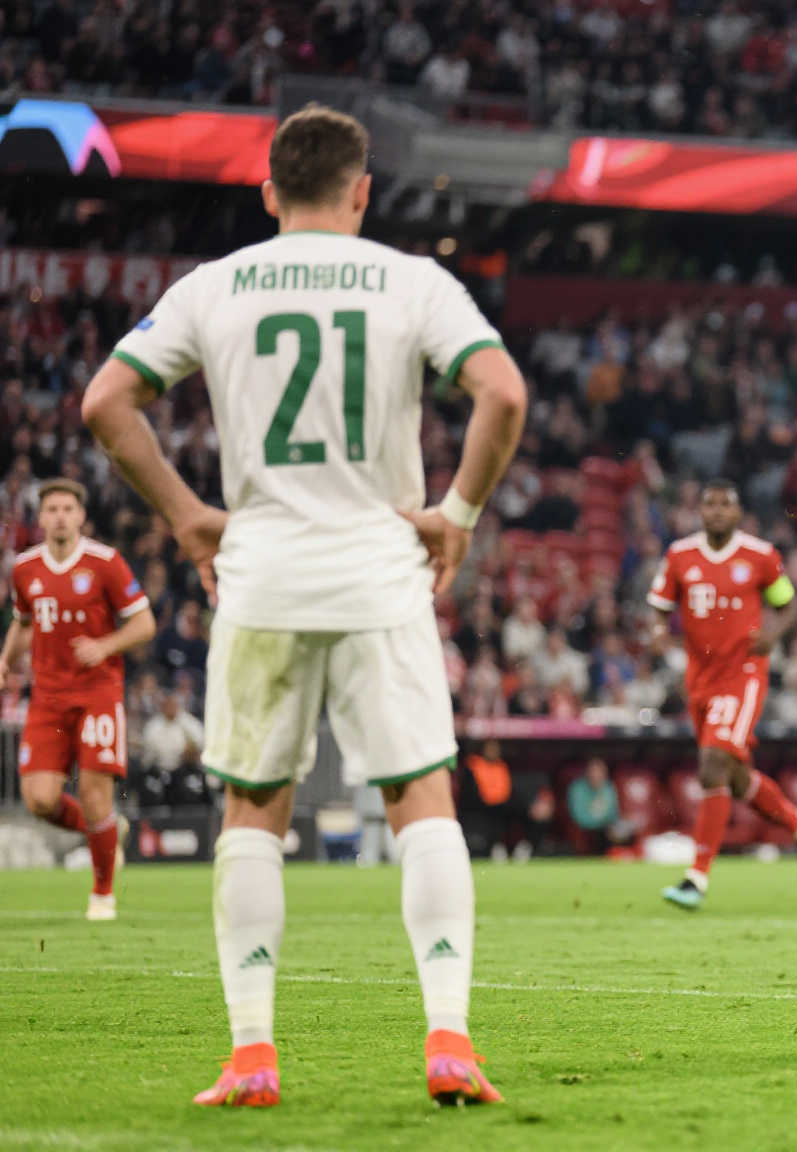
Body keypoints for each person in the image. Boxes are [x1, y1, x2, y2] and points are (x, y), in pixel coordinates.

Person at [81, 104, 526, 1106]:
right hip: (380, 574)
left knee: (254, 808)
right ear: (362, 191)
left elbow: (105, 402)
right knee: (420, 799)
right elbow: (502, 393)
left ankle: (252, 1057)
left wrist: (189, 518)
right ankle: (449, 1040)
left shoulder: (216, 285)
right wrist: (456, 515)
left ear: (268, 191)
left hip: (263, 574)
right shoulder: (412, 282)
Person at [645, 480, 797, 910]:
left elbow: (788, 605)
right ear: (699, 511)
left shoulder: (760, 555)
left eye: (725, 504)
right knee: (736, 776)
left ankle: (696, 878)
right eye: (709, 504)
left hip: (743, 675)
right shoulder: (680, 555)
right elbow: (659, 606)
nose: (716, 511)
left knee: (712, 763)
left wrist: (773, 635)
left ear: (737, 512)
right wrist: (656, 632)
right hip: (699, 679)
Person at [0, 478, 156, 919]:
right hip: (48, 698)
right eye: (52, 509)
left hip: (98, 693)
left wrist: (105, 646)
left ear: (81, 516)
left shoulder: (105, 562)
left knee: (94, 793)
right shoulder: (25, 568)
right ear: (40, 518)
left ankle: (102, 893)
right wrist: (3, 662)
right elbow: (23, 622)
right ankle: (105, 834)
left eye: (68, 509)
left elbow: (144, 623)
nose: (60, 517)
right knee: (40, 799)